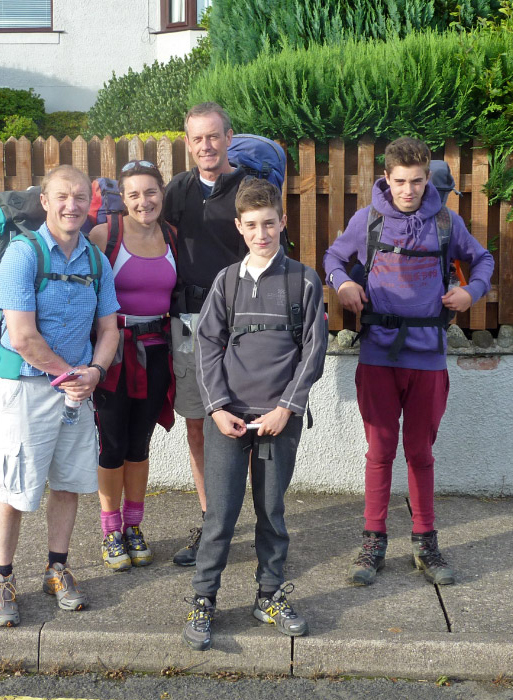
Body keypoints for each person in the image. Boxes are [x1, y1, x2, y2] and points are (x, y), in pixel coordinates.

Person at [323, 137, 494, 588]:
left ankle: (425, 542)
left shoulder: (445, 222)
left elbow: (483, 260)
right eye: (400, 181)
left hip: (428, 357)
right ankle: (373, 541)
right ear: (387, 178)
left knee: (419, 453)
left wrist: (469, 292)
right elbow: (334, 258)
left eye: (417, 181)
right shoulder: (369, 220)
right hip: (378, 354)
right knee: (380, 452)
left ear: (426, 178)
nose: (408, 190)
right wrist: (342, 285)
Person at [182, 178, 327, 652]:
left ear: (282, 223)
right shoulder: (226, 281)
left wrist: (287, 408)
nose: (262, 233)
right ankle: (203, 601)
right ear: (239, 227)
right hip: (231, 420)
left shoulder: (303, 280)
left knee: (272, 512)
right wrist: (217, 409)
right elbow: (206, 347)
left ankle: (268, 595)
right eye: (252, 226)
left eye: (269, 223)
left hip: (277, 422)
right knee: (220, 515)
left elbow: (313, 351)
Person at [0, 165, 119, 627]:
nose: (72, 205)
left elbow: (109, 329)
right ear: (45, 201)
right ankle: (2, 578)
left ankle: (56, 569)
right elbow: (22, 337)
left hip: (77, 390)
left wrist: (96, 372)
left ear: (90, 203)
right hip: (26, 387)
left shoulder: (96, 261)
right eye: (62, 196)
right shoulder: (23, 256)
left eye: (80, 197)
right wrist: (73, 376)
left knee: (67, 483)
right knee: (15, 486)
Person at [164, 102, 249, 567]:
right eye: (197, 139)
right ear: (188, 142)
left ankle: (251, 520)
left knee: (246, 422)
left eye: (213, 136)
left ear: (229, 137)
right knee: (197, 422)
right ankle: (210, 520)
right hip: (188, 321)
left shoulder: (249, 190)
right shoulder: (178, 190)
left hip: (241, 322)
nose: (206, 146)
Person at [87, 160, 177, 572]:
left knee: (141, 442)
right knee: (113, 444)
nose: (145, 201)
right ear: (122, 200)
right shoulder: (105, 235)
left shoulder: (173, 237)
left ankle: (134, 526)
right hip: (114, 355)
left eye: (151, 192)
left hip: (159, 353)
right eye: (135, 194)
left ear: (162, 193)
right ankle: (110, 530)